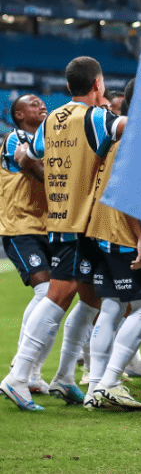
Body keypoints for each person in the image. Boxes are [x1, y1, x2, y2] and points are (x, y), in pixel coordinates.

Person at [2, 57, 124, 412]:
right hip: (75, 220)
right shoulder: (97, 117)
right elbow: (132, 128)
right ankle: (19, 374)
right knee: (56, 294)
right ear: (98, 84)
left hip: (64, 218)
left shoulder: (51, 121)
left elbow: (37, 153)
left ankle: (64, 376)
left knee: (89, 299)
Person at [85, 79, 141, 411]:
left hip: (99, 230)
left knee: (111, 308)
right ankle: (110, 381)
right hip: (122, 234)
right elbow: (129, 193)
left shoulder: (109, 139)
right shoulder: (135, 138)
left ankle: (94, 387)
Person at [1, 94, 52, 394]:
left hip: (47, 226)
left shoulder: (47, 138)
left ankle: (30, 372)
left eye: (41, 102)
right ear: (19, 115)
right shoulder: (13, 139)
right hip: (20, 226)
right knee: (45, 291)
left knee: (56, 296)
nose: (41, 105)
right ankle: (22, 367)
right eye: (33, 103)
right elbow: (32, 167)